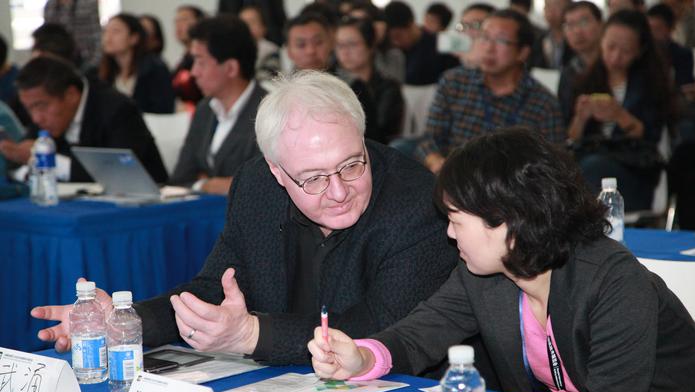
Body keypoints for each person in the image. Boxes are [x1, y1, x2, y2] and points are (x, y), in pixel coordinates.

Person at [30, 70, 457, 366]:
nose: (339, 191)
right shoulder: (257, 185)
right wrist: (128, 322)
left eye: (352, 165)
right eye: (313, 178)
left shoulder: (416, 202)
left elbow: (382, 328)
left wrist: (253, 335)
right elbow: (215, 287)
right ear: (277, 171)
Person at [309, 126, 695, 392]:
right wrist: (362, 358)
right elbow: (419, 334)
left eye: (456, 219)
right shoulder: (485, 276)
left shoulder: (612, 282)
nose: (450, 234)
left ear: (508, 221)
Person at [418, 9, 566, 173]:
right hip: (451, 177)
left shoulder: (543, 104)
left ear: (523, 52)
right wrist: (437, 163)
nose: (489, 48)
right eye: (484, 37)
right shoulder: (454, 83)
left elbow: (555, 167)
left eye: (501, 41)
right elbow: (429, 140)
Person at [0, 56, 167, 183]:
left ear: (71, 95)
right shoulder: (46, 117)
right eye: (29, 109)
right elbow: (18, 161)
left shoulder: (117, 110)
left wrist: (47, 162)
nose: (36, 118)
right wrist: (27, 165)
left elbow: (117, 172)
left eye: (41, 106)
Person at [567, 10, 672, 210]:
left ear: (640, 51)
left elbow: (650, 140)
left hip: (633, 171)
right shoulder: (583, 81)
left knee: (591, 167)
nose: (615, 57)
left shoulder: (652, 86)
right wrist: (581, 118)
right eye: (610, 47)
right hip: (588, 164)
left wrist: (619, 115)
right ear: (601, 41)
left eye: (625, 51)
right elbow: (571, 141)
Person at [170, 15, 267, 195]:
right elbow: (181, 178)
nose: (194, 72)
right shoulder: (205, 109)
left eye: (200, 62)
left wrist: (207, 182)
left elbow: (263, 184)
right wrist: (209, 185)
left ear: (231, 68)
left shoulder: (269, 111)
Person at [335, 17, 404, 144]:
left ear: (370, 46)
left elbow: (382, 135)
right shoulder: (332, 83)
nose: (345, 52)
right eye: (340, 45)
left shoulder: (388, 88)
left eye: (352, 44)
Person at [98, 13, 174, 114]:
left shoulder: (155, 68)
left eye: (116, 31)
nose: (108, 37)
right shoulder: (100, 72)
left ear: (134, 38)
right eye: (105, 31)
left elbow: (163, 109)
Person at [384, 1, 460, 85]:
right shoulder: (392, 51)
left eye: (398, 36)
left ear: (410, 24)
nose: (395, 43)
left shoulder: (439, 48)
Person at [558, 1, 604, 123]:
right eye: (570, 25)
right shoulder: (568, 72)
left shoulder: (614, 64)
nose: (577, 31)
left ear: (601, 24)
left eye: (584, 22)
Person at [647, 3, 694, 88]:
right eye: (649, 29)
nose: (652, 34)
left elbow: (684, 86)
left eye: (657, 29)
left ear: (670, 29)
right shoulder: (642, 52)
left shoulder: (682, 55)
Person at [44, 0, 101, 68]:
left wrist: (94, 63)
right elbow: (47, 36)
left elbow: (97, 35)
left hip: (85, 59)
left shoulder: (88, 3)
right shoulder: (50, 5)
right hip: (58, 61)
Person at [172, 5, 206, 110]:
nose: (178, 25)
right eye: (176, 21)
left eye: (184, 19)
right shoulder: (182, 60)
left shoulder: (206, 58)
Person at [239, 5, 281, 82]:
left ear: (264, 27)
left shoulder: (271, 50)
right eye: (242, 22)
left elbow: (266, 80)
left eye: (252, 22)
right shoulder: (234, 48)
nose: (246, 26)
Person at [529, 0, 575, 70]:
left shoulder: (577, 38)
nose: (551, 10)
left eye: (557, 5)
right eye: (547, 5)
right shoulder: (538, 39)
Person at [454, 3, 495, 68]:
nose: (468, 31)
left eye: (476, 25)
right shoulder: (449, 59)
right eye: (463, 25)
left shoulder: (499, 63)